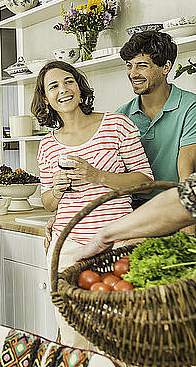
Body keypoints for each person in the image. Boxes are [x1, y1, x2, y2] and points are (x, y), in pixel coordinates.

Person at [32, 60, 154, 347]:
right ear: (46, 99)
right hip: (68, 249)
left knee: (123, 332)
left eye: (68, 81)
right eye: (54, 86)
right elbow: (48, 203)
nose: (63, 89)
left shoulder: (116, 125)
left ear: (79, 85)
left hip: (117, 244)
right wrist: (57, 189)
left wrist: (96, 175)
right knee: (75, 335)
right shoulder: (47, 146)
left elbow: (145, 180)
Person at [77, 103, 196, 261]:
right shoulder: (124, 113)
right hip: (141, 220)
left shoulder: (192, 107)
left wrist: (105, 235)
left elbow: (192, 196)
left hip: (161, 218)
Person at [116, 31, 196, 233]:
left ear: (166, 67)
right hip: (132, 215)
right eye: (129, 65)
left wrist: (188, 234)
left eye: (142, 65)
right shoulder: (121, 116)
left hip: (177, 210)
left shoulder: (192, 106)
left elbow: (188, 170)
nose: (133, 73)